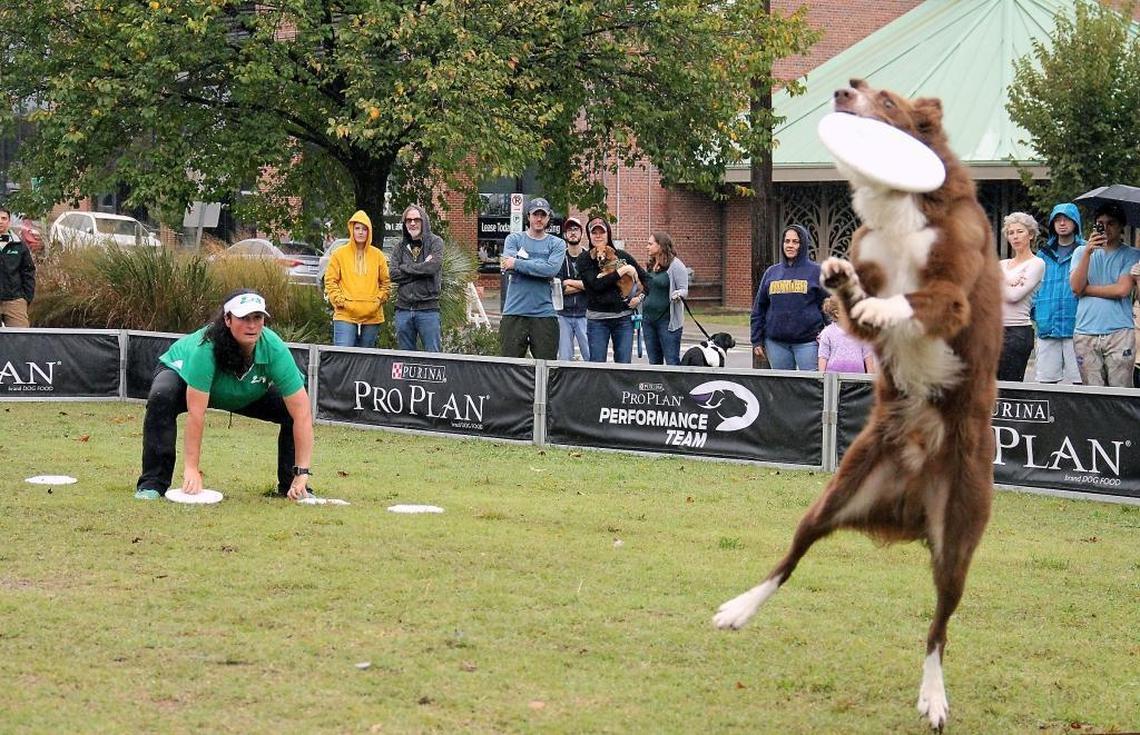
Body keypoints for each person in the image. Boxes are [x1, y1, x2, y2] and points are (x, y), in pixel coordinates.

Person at [134, 290, 314, 501]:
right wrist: (192, 468)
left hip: (244, 390)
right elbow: (196, 414)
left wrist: (302, 473)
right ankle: (152, 484)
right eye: (243, 318)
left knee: (290, 410)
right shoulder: (206, 348)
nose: (252, 325)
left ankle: (291, 486)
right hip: (184, 377)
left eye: (257, 318)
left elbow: (302, 414)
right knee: (162, 396)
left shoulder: (274, 348)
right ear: (227, 319)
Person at [1069, 202, 1140, 387]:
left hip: (1119, 331)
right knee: (1092, 394)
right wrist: (1087, 253)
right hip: (1085, 330)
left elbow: (1121, 290)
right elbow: (1076, 287)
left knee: (1120, 392)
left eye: (1111, 223)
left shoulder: (1131, 254)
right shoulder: (1080, 252)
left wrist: (1087, 290)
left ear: (1120, 226)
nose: (1106, 228)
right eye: (1101, 223)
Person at [750, 224, 827, 370]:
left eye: (795, 242)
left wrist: (832, 335)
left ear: (803, 244)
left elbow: (827, 307)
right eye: (787, 241)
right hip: (776, 344)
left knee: (811, 387)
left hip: (809, 342)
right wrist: (756, 340)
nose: (790, 245)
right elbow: (759, 308)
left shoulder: (816, 272)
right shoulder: (771, 273)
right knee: (783, 388)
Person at [499, 197, 566, 359]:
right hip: (514, 312)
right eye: (535, 214)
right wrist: (539, 265)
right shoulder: (513, 239)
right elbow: (506, 264)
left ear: (548, 218)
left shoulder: (557, 244)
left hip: (544, 314)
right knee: (509, 368)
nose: (539, 219)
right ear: (528, 216)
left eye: (543, 215)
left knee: (546, 369)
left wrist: (518, 263)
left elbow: (551, 270)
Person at [577, 217, 647, 363]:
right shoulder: (584, 259)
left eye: (601, 232)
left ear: (608, 233)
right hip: (597, 320)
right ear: (589, 236)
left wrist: (639, 298)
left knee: (623, 366)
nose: (598, 235)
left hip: (623, 319)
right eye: (594, 232)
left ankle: (622, 387)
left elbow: (647, 279)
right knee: (597, 367)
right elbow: (596, 284)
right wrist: (623, 271)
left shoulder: (622, 256)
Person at [324, 210, 391, 348]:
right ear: (351, 230)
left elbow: (386, 283)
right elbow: (330, 281)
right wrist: (340, 300)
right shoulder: (339, 254)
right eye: (357, 228)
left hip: (372, 316)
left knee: (365, 361)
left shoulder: (378, 255)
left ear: (369, 232)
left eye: (364, 229)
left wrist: (378, 301)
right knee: (344, 358)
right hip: (345, 314)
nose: (360, 232)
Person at [1033, 203, 1084, 384]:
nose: (1062, 223)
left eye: (1067, 219)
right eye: (1058, 220)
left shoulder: (1086, 251)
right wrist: (1037, 313)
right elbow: (1033, 288)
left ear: (1076, 223)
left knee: (1081, 384)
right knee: (1046, 383)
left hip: (1077, 326)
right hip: (1047, 325)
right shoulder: (1042, 255)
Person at [389, 204, 444, 352]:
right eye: (409, 220)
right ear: (404, 224)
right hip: (403, 310)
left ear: (424, 221)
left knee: (433, 357)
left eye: (416, 219)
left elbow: (432, 267)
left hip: (428, 310)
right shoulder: (399, 247)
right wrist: (422, 267)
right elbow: (393, 274)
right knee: (405, 359)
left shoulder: (435, 242)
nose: (412, 223)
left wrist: (405, 268)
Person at [997, 212, 1045, 381]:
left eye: (1020, 231)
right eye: (1011, 233)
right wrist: (1008, 279)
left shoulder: (1037, 263)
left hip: (1017, 331)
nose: (1015, 237)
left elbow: (1013, 295)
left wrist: (998, 279)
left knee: (1010, 387)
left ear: (1030, 234)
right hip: (994, 330)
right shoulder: (1002, 264)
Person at [641, 231, 689, 365]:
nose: (647, 247)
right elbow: (648, 288)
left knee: (672, 361)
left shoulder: (676, 265)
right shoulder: (651, 264)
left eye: (650, 244)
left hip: (667, 322)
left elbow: (684, 290)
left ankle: (674, 386)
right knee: (654, 362)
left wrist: (678, 294)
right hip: (648, 320)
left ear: (660, 246)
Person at [555, 216, 590, 361]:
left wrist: (569, 282)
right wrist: (584, 285)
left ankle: (594, 384)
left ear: (581, 233)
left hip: (586, 314)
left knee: (591, 356)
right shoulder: (559, 258)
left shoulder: (589, 258)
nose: (573, 233)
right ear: (565, 235)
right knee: (564, 358)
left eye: (576, 229)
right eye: (569, 230)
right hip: (564, 315)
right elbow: (558, 288)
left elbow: (594, 284)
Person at [817, 296, 874, 373]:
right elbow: (823, 356)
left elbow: (868, 354)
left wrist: (870, 377)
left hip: (858, 379)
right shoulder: (827, 332)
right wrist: (822, 376)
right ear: (837, 313)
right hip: (833, 379)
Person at [0, 207, 35, 328]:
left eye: (3, 218)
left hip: (15, 300)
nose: (0, 221)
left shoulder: (19, 245)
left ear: (9, 221)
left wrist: (26, 298)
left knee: (21, 340)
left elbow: (28, 271)